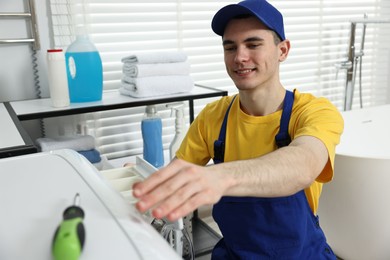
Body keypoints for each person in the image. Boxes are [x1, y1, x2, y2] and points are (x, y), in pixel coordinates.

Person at [132, 0, 344, 258]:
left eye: (253, 44)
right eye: (230, 47)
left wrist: (219, 177)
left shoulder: (314, 111)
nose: (240, 57)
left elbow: (303, 164)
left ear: (283, 50)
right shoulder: (214, 117)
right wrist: (142, 181)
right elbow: (177, 178)